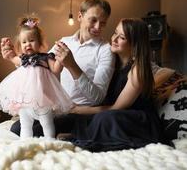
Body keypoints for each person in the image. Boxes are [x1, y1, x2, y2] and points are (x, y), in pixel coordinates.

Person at [5, 0, 115, 137]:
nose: (98, 27)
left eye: (103, 23)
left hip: (81, 113)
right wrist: (13, 56)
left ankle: (70, 134)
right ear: (80, 16)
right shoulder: (64, 42)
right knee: (16, 128)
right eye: (93, 20)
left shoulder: (105, 50)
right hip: (56, 108)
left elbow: (97, 99)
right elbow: (37, 64)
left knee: (34, 132)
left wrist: (72, 66)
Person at [68, 18, 164, 151]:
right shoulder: (113, 63)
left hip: (136, 119)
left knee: (105, 118)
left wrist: (79, 109)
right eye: (115, 33)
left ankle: (87, 139)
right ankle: (78, 135)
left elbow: (116, 107)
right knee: (79, 119)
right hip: (114, 113)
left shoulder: (137, 70)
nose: (114, 39)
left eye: (122, 37)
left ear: (135, 44)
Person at [0, 16, 73, 139]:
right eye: (24, 42)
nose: (27, 44)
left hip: (43, 100)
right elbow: (12, 58)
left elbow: (56, 69)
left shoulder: (45, 58)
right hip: (24, 101)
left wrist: (61, 59)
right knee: (25, 124)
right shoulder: (22, 59)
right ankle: (25, 143)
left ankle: (50, 140)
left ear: (39, 42)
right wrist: (8, 48)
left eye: (31, 40)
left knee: (47, 123)